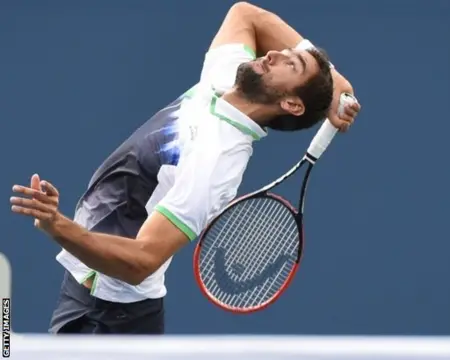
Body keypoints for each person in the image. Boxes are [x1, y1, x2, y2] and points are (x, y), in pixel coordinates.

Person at [9, 1, 360, 335]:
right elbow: (247, 15)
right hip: (83, 289)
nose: (274, 53)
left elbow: (142, 260)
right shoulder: (224, 80)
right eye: (285, 52)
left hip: (114, 320)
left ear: (290, 104)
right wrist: (335, 79)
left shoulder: (217, 162)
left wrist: (59, 227)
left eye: (291, 65)